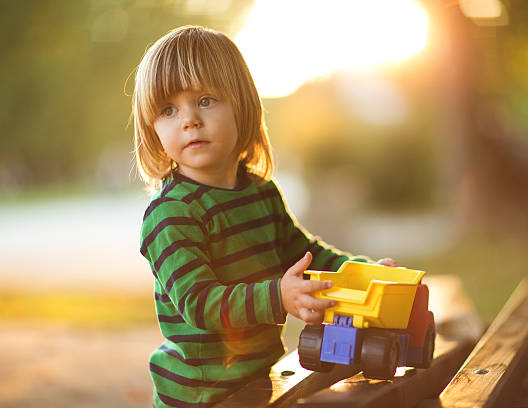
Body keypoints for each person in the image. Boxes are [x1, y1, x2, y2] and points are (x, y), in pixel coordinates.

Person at [132, 25, 396, 408]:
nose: (189, 119)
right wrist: (278, 297)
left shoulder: (260, 192)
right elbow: (199, 303)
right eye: (168, 110)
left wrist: (366, 275)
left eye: (205, 100)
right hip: (200, 397)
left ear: (241, 104)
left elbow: (306, 256)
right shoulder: (171, 214)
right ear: (152, 128)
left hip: (261, 382)